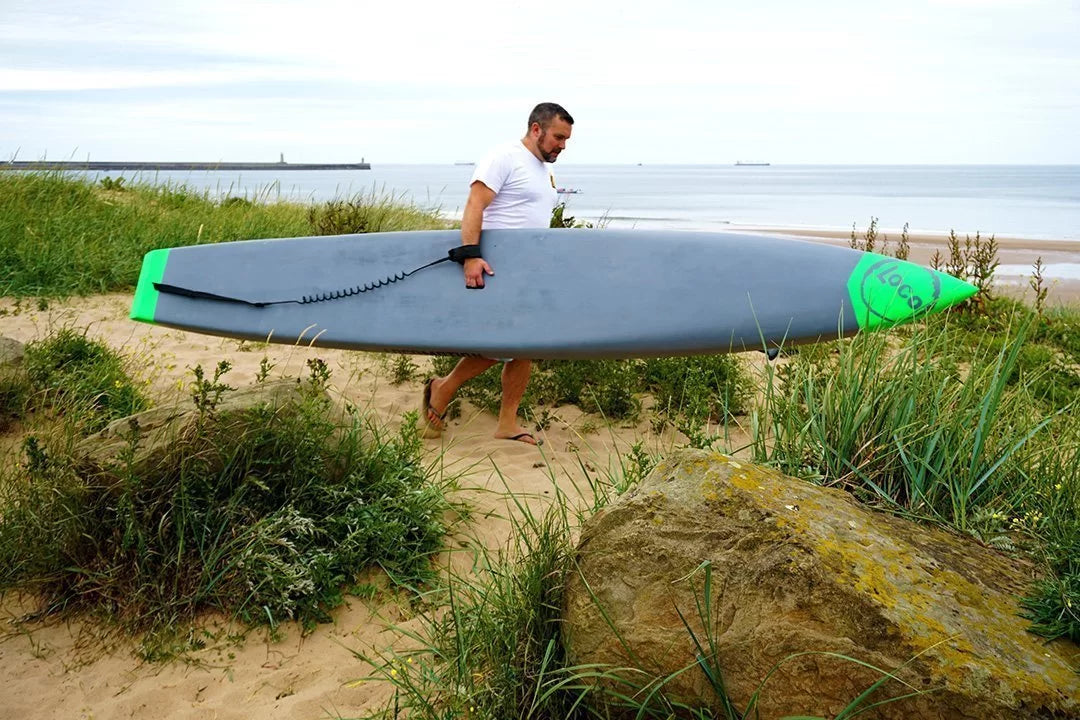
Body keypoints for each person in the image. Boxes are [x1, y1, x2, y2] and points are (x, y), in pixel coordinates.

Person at [421, 102, 574, 446]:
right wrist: (471, 255)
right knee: (499, 344)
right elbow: (476, 203)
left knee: (524, 347)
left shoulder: (542, 170)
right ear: (537, 129)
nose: (562, 145)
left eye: (566, 139)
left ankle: (507, 422)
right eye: (558, 137)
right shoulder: (504, 156)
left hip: (527, 273)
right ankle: (442, 388)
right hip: (496, 267)